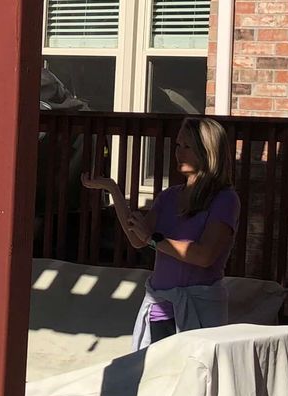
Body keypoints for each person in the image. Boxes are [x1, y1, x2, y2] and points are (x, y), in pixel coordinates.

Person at [82, 116, 241, 346]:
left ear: (208, 152)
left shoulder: (225, 199)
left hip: (200, 308)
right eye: (178, 145)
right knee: (159, 378)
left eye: (187, 146)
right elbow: (137, 239)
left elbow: (204, 256)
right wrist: (112, 188)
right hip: (161, 308)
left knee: (196, 378)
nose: (179, 153)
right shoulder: (168, 196)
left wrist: (154, 239)